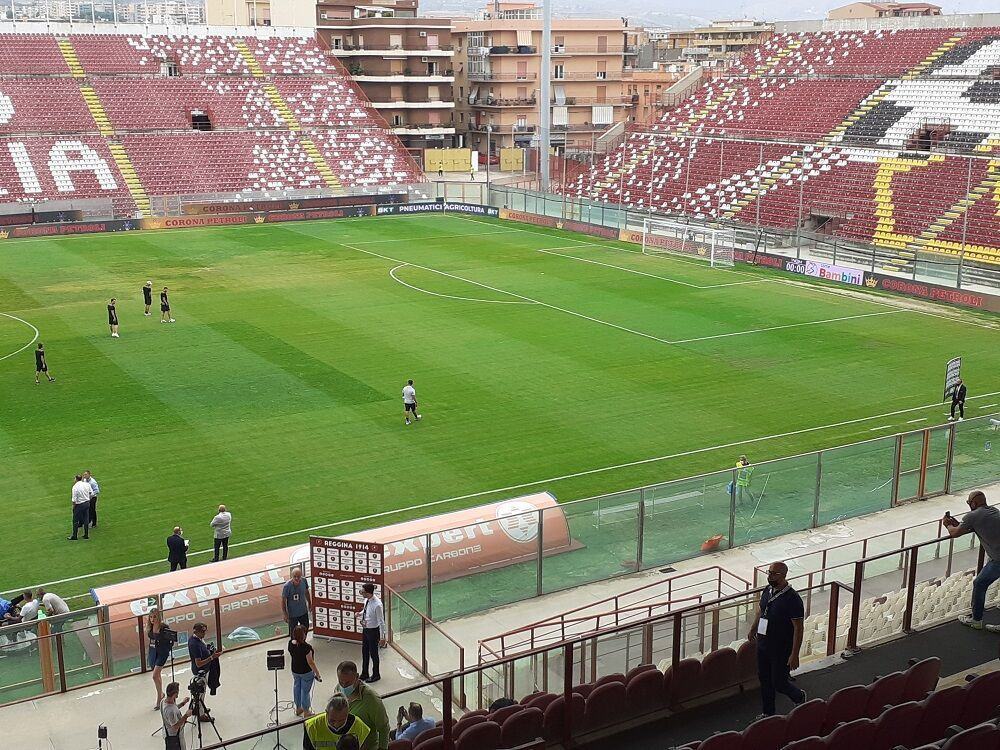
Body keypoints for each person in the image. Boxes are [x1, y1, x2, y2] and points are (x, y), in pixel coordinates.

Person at [748, 561, 806, 718]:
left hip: (781, 648)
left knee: (779, 683)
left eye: (774, 574)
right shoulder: (767, 590)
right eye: (769, 572)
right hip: (763, 644)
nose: (770, 576)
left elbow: (798, 628)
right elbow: (761, 610)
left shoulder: (793, 599)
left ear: (784, 575)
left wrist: (794, 654)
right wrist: (754, 628)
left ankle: (798, 696)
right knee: (764, 679)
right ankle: (768, 713)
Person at [944, 490, 1000, 631]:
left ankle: (976, 620)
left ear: (973, 503)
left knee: (979, 583)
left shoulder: (972, 516)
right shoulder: (994, 510)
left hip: (998, 560)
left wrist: (947, 525)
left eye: (969, 503)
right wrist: (960, 523)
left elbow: (954, 533)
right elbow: (976, 526)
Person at [337, 660, 390, 750]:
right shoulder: (338, 689)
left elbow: (384, 728)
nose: (343, 686)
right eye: (341, 682)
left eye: (347, 683)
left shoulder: (371, 698)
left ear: (357, 677)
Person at [303, 695, 370, 750]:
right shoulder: (312, 726)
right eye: (332, 720)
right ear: (326, 712)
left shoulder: (359, 726)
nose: (337, 724)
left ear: (347, 714)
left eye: (341, 720)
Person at [289, 624, 322, 717]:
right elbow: (311, 662)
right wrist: (317, 674)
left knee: (296, 688)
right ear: (304, 635)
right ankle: (307, 711)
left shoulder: (290, 643)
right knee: (305, 691)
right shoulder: (307, 648)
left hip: (295, 670)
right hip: (306, 672)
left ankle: (298, 708)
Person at [358, 583, 386, 683]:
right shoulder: (366, 600)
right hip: (366, 629)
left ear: (368, 593)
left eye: (363, 592)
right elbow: (366, 611)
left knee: (374, 654)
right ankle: (365, 673)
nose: (361, 593)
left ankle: (376, 674)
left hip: (373, 631)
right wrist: (359, 614)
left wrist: (382, 637)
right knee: (364, 651)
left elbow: (381, 622)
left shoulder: (377, 605)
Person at [188, 622, 223, 699]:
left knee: (202, 692)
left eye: (204, 631)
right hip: (200, 672)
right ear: (196, 632)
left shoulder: (198, 639)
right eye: (202, 632)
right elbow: (199, 664)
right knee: (200, 694)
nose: (204, 633)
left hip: (205, 669)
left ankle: (201, 709)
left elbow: (203, 649)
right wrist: (212, 657)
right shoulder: (194, 644)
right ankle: (199, 710)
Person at [147, 608, 172, 710]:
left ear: (159, 617)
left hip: (162, 653)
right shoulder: (150, 627)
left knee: (154, 676)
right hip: (153, 652)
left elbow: (170, 640)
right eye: (151, 617)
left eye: (154, 617)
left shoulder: (164, 627)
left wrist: (166, 649)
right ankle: (161, 693)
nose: (152, 619)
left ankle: (159, 698)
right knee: (157, 676)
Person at [161, 681, 193, 750]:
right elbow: (175, 727)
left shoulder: (163, 701)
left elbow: (174, 708)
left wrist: (183, 703)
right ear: (175, 694)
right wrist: (186, 716)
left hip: (167, 732)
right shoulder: (170, 711)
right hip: (175, 736)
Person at [282, 567, 311, 633]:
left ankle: (302, 642)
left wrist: (310, 603)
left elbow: (306, 592)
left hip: (303, 611)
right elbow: (283, 601)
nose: (296, 578)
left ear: (301, 575)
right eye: (294, 576)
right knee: (293, 633)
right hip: (292, 614)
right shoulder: (287, 586)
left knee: (305, 628)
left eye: (298, 576)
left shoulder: (304, 581)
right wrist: (285, 614)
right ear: (292, 576)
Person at [69, 474, 92, 540]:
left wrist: (73, 507)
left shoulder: (75, 487)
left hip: (79, 505)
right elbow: (91, 493)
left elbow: (74, 500)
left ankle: (74, 536)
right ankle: (86, 535)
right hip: (87, 503)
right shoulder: (87, 484)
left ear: (76, 479)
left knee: (75, 520)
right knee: (86, 519)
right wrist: (88, 500)